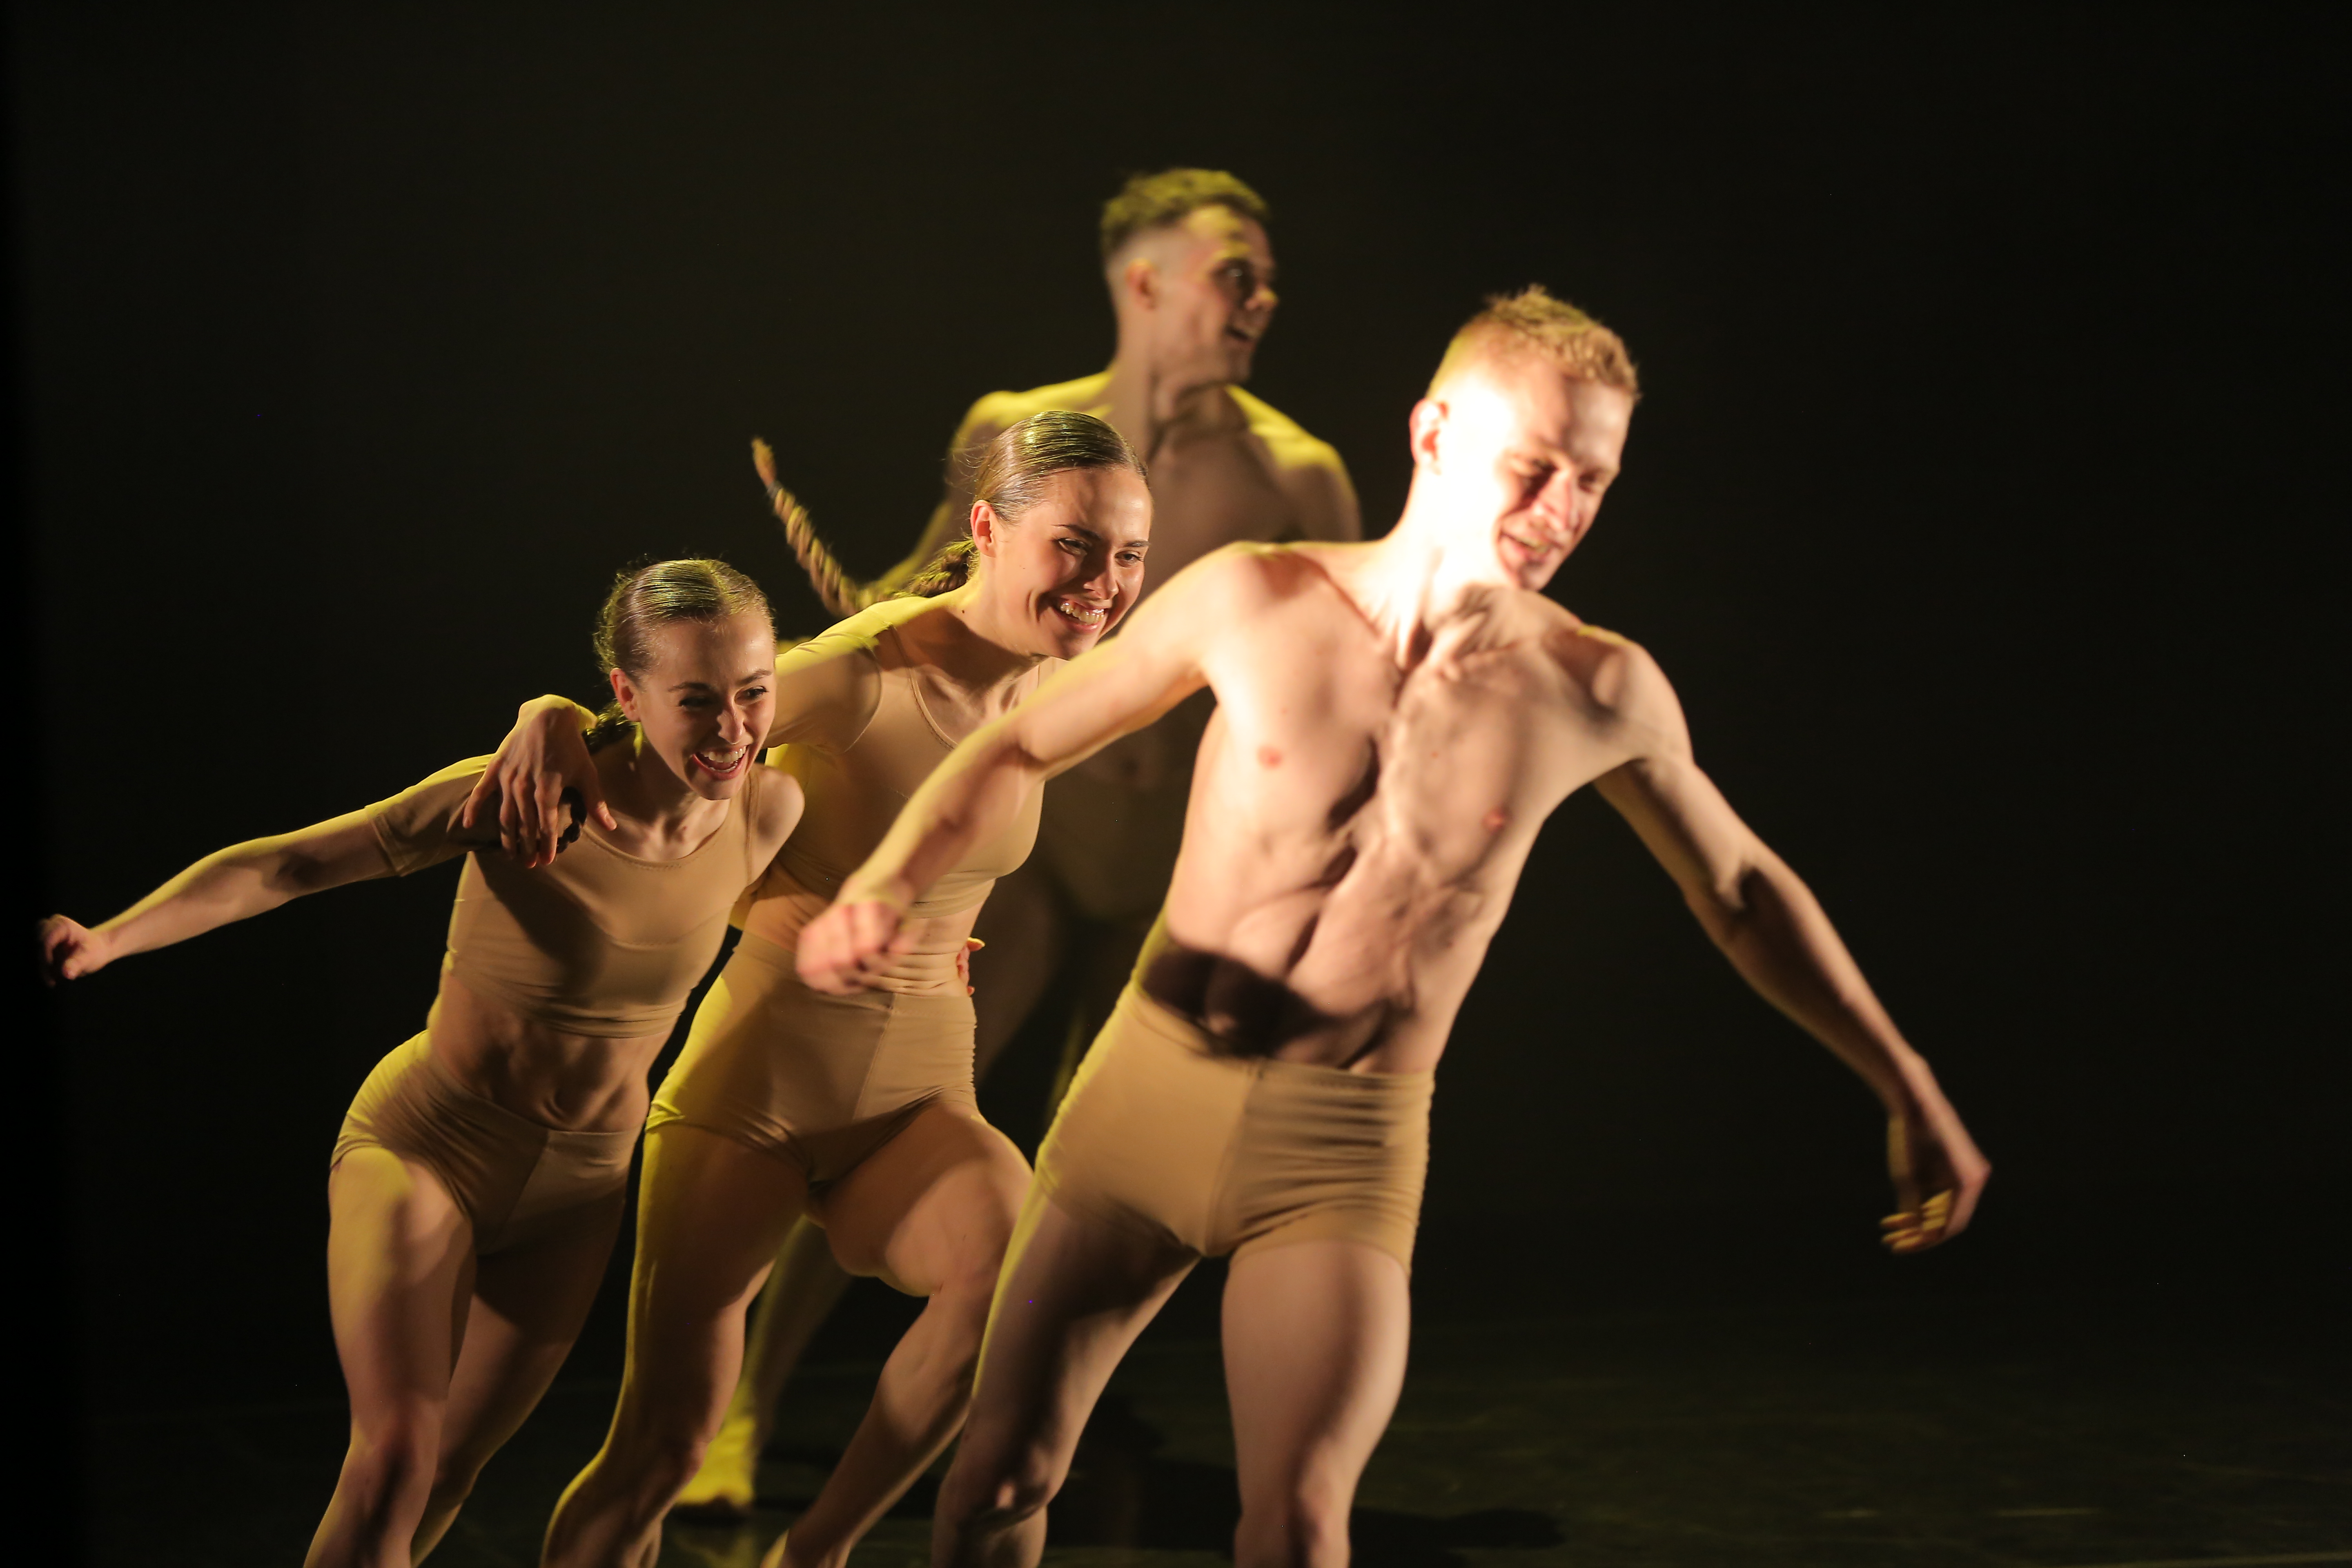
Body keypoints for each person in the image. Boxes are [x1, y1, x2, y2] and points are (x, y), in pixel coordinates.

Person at [794, 287, 1994, 1567]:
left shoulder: (1596, 687)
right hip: (1134, 1120)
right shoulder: (1257, 596)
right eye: (1535, 468)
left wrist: (1908, 1084)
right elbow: (1022, 741)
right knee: (995, 1482)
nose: (1563, 510)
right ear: (1433, 435)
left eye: (1594, 481)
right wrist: (886, 884)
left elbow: (1742, 890)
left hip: (1338, 1155)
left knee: (1301, 1524)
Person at [678, 166, 1359, 1517]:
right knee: (887, 1124)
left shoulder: (1295, 471)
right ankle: (739, 1412)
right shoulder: (1019, 430)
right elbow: (933, 593)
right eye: (1236, 272)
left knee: (1091, 1168)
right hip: (1034, 850)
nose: (1262, 299)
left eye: (1268, 278)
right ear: (1145, 282)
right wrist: (828, 640)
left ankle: (1018, 1415)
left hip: (1178, 869)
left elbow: (1347, 676)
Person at [473, 412, 1152, 1568]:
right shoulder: (863, 670)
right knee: (660, 1454)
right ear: (988, 529)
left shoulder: (1055, 686)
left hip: (919, 1096)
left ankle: (817, 1552)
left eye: (1129, 554)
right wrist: (552, 718)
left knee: (1012, 1287)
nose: (1105, 583)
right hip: (757, 1094)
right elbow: (678, 710)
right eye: (1076, 545)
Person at [38, 559, 801, 1567]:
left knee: (448, 1470)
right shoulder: (520, 793)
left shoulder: (771, 811)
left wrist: (926, 950)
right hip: (432, 1146)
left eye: (753, 693)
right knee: (396, 1456)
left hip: (581, 1192)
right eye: (697, 700)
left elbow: (838, 889)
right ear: (627, 694)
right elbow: (291, 864)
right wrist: (108, 941)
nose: (734, 728)